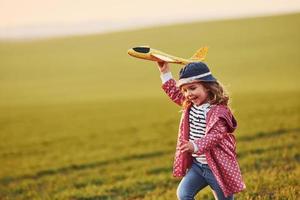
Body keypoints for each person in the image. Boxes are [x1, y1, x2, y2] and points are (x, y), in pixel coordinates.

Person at [156, 61, 246, 200]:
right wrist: (165, 72)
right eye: (185, 90)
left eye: (192, 88)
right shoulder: (189, 105)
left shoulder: (218, 111)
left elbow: (215, 136)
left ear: (208, 87)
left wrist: (195, 145)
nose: (188, 94)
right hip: (198, 167)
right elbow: (174, 92)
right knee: (183, 194)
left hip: (217, 168)